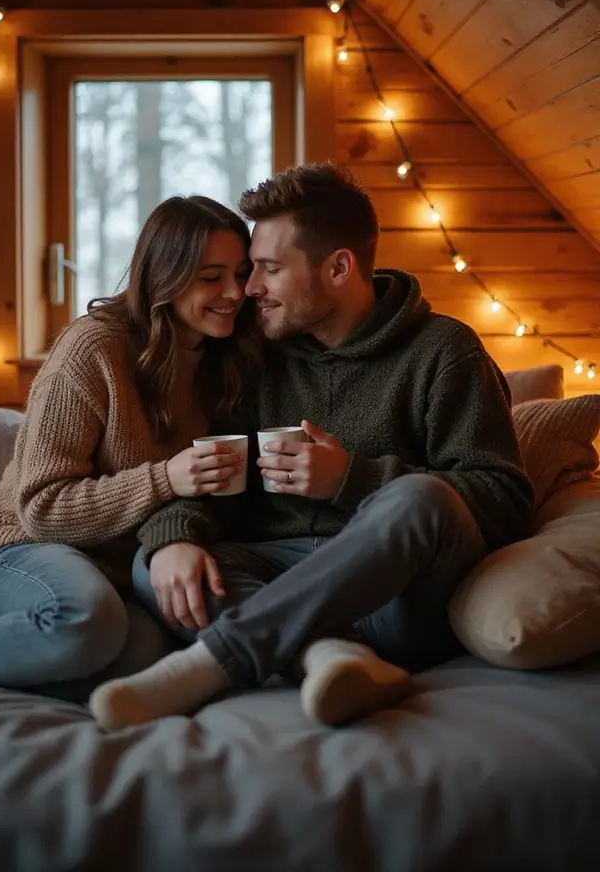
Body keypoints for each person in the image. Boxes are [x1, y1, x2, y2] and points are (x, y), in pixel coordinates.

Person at [90, 162, 534, 730]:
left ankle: (213, 661)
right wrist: (174, 537)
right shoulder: (260, 356)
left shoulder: (444, 352)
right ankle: (328, 656)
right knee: (155, 562)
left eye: (270, 270)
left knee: (421, 497)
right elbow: (217, 477)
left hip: (399, 598)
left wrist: (352, 478)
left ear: (339, 268)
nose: (249, 289)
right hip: (284, 574)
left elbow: (505, 501)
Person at [0, 196, 263, 700]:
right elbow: (42, 506)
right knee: (86, 620)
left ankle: (34, 653)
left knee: (146, 655)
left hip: (115, 571)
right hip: (20, 549)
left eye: (241, 273)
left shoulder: (226, 362)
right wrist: (166, 478)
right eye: (210, 276)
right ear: (165, 277)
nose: (234, 292)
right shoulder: (95, 348)